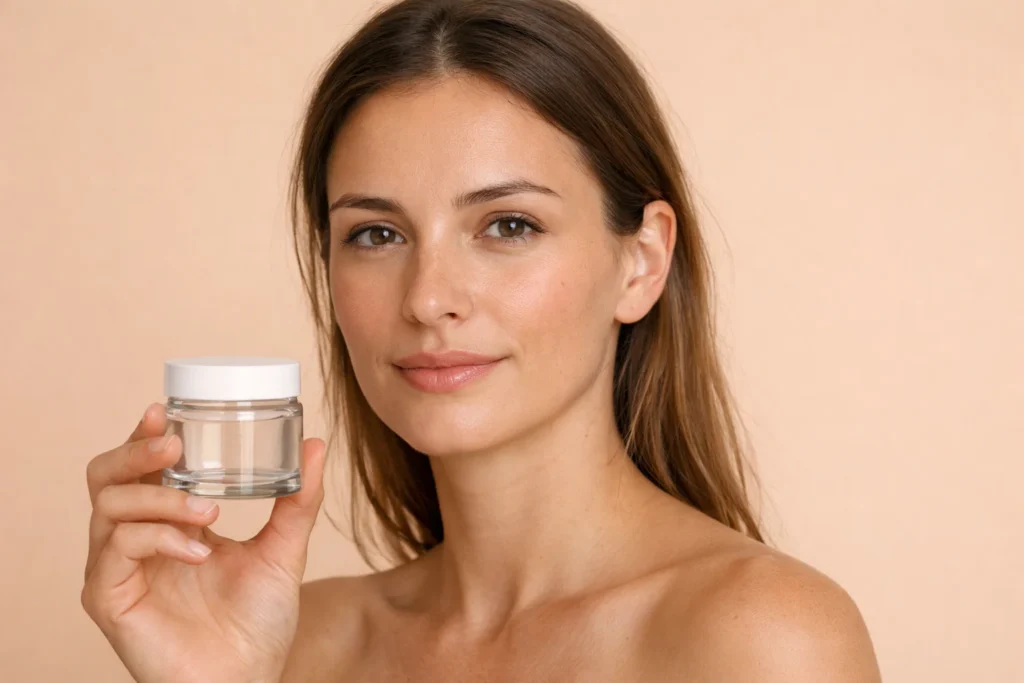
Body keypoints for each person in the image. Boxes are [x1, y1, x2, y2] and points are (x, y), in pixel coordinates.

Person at [81, 0, 882, 680]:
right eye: (375, 234)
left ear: (642, 263)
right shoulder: (297, 643)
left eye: (508, 224)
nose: (429, 298)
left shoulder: (759, 640)